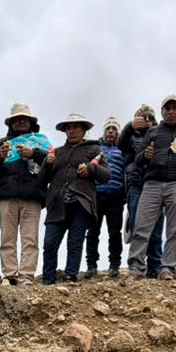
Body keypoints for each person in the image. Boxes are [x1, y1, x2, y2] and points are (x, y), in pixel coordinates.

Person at [126, 95, 176, 281]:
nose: (171, 111)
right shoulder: (153, 131)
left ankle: (168, 269)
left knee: (175, 229)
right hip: (152, 184)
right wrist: (146, 155)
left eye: (175, 108)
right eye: (167, 108)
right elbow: (137, 160)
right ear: (162, 111)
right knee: (141, 227)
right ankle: (136, 270)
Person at [38, 113, 110, 285]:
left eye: (76, 127)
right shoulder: (56, 153)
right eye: (69, 128)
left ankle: (71, 276)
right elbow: (41, 180)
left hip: (81, 202)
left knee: (75, 241)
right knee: (49, 243)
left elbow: (107, 175)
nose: (72, 131)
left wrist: (91, 170)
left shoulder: (95, 151)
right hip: (57, 203)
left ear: (84, 130)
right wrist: (47, 164)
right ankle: (48, 279)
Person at [0, 103, 50, 285]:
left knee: (30, 238)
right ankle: (10, 275)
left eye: (24, 119)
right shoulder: (1, 144)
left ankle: (26, 275)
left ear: (31, 122)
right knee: (7, 238)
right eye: (17, 119)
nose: (21, 122)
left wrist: (35, 153)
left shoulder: (41, 142)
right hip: (7, 195)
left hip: (33, 195)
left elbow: (52, 164)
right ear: (11, 123)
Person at [119, 104, 162, 277]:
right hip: (136, 184)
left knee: (157, 228)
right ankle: (137, 268)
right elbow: (120, 144)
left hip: (156, 183)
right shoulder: (129, 136)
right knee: (138, 226)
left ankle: (155, 267)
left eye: (149, 117)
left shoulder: (160, 134)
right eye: (141, 117)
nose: (145, 120)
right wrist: (130, 126)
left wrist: (154, 130)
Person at [85, 116, 127, 278]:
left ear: (118, 132)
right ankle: (91, 265)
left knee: (115, 232)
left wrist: (124, 193)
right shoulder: (95, 148)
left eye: (114, 129)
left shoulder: (123, 150)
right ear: (104, 131)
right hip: (96, 194)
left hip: (116, 196)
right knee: (92, 231)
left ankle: (114, 265)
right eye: (108, 128)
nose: (111, 131)